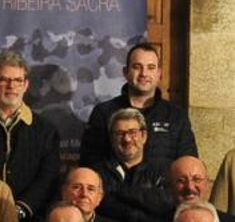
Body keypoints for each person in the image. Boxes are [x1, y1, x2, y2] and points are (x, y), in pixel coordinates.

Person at [79, 40, 197, 173]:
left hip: (161, 193)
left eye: (150, 67)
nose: (144, 74)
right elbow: (89, 166)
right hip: (114, 193)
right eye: (137, 67)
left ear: (159, 74)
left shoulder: (176, 116)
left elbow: (188, 165)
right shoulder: (103, 113)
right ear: (126, 72)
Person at [0, 49, 61, 222]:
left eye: (17, 80)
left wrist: (21, 209)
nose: (11, 86)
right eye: (4, 79)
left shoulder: (46, 130)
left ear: (26, 85)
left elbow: (48, 178)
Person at [91, 107, 173, 222]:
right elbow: (99, 206)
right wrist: (138, 211)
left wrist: (118, 192)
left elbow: (165, 203)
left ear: (144, 136)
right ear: (111, 138)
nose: (127, 139)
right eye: (119, 133)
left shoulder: (162, 172)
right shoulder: (97, 173)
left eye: (132, 132)